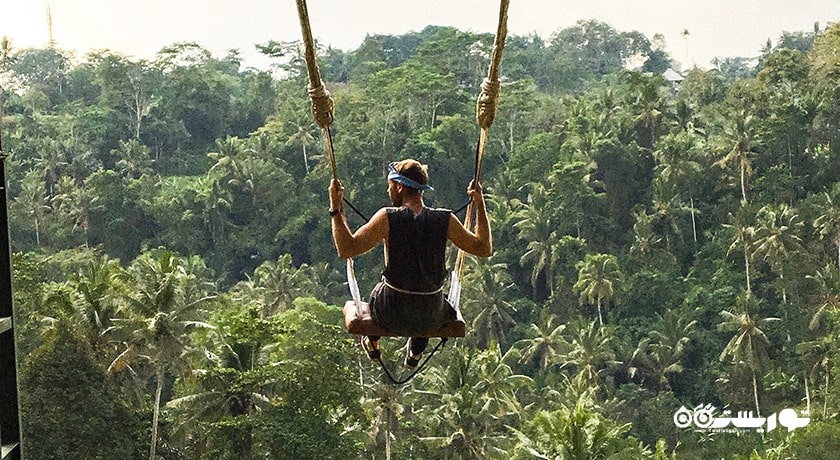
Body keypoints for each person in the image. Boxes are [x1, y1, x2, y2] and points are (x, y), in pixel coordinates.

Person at [329, 159, 492, 368]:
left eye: (390, 186)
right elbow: (483, 248)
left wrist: (335, 208)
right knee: (428, 299)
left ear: (399, 186)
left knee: (359, 303)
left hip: (392, 312)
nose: (389, 192)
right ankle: (416, 351)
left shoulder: (387, 217)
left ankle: (373, 339)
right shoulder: (445, 219)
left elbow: (347, 249)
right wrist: (480, 204)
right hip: (431, 314)